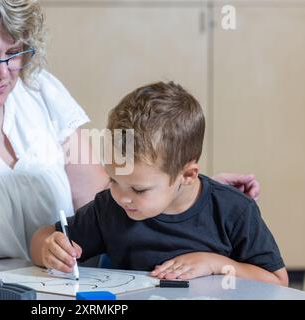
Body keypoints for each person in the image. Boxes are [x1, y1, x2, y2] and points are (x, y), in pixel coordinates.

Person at [0, 0, 258, 270]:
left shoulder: (39, 90)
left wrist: (189, 193)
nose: (5, 71)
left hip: (46, 289)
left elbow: (112, 200)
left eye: (15, 53)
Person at [30, 81, 288, 286]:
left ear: (187, 175)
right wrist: (48, 249)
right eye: (113, 180)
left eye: (139, 189)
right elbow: (41, 238)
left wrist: (215, 264)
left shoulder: (233, 210)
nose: (121, 196)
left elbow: (278, 281)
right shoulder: (109, 208)